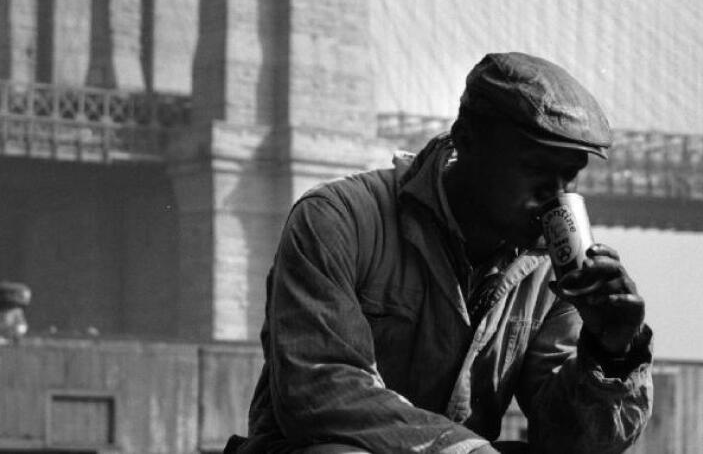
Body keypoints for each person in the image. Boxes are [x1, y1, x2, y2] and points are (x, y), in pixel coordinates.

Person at [232, 52, 653, 454]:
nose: (557, 197)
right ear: (467, 141)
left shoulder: (552, 271)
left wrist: (610, 352)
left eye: (570, 177)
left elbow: (574, 443)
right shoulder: (338, 219)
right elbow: (321, 390)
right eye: (536, 170)